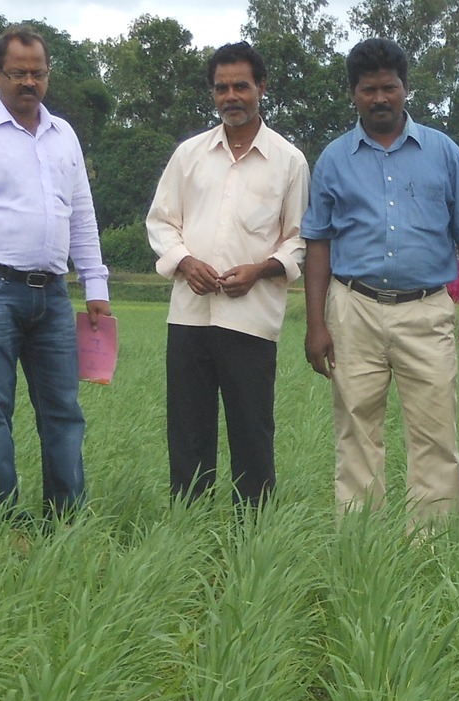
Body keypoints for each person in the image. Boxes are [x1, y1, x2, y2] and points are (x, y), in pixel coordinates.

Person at [302, 37, 459, 527]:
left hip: (425, 308)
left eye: (388, 87)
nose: (380, 98)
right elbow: (318, 242)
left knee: (436, 431)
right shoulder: (334, 159)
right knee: (356, 429)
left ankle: (433, 543)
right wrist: (315, 323)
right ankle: (360, 538)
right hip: (354, 308)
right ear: (353, 94)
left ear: (405, 88)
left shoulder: (442, 151)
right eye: (368, 90)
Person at [0, 26, 112, 519]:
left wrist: (95, 285)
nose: (29, 82)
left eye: (38, 73)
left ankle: (66, 517)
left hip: (52, 294)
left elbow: (82, 214)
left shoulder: (64, 135)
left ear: (48, 75)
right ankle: (6, 517)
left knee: (63, 410)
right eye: (18, 73)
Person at [146, 41, 308, 510]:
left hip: (251, 319)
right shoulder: (189, 155)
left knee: (252, 431)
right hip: (189, 315)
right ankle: (189, 522)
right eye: (221, 88)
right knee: (188, 431)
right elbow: (161, 222)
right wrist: (185, 262)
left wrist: (259, 270)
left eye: (241, 86)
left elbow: (299, 240)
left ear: (261, 87)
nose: (231, 96)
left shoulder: (289, 161)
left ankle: (252, 532)